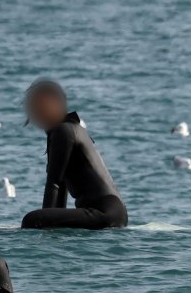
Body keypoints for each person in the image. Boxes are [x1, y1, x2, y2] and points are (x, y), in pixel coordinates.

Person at [21, 79, 128, 231]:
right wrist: (50, 221)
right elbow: (61, 186)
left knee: (31, 219)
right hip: (114, 212)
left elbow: (54, 184)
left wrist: (42, 224)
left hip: (106, 213)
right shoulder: (67, 129)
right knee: (37, 218)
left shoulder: (63, 131)